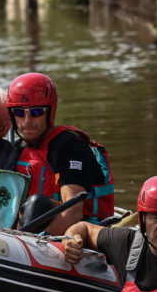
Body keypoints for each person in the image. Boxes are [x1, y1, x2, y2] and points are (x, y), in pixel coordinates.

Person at [8, 72, 114, 235]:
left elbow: (73, 212)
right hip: (29, 230)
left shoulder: (70, 148)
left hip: (80, 232)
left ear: (50, 112)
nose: (27, 121)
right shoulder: (17, 149)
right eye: (19, 113)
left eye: (36, 112)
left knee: (37, 203)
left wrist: (32, 242)